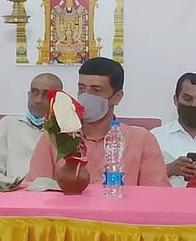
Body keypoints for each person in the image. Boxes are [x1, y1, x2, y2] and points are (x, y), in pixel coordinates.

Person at [27, 57, 169, 186]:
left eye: (96, 90)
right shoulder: (54, 137)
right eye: (82, 89)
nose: (86, 96)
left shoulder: (141, 140)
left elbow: (157, 196)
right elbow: (36, 190)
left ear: (117, 97)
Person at [0, 73, 64, 183]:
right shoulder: (7, 125)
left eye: (46, 95)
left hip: (48, 192)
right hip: (10, 190)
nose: (38, 100)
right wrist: (17, 186)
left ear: (59, 99)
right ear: (28, 95)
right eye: (34, 92)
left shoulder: (67, 133)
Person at [150, 72, 196, 187]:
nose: (193, 105)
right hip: (166, 198)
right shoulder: (155, 137)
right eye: (187, 99)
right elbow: (142, 180)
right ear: (176, 100)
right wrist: (169, 170)